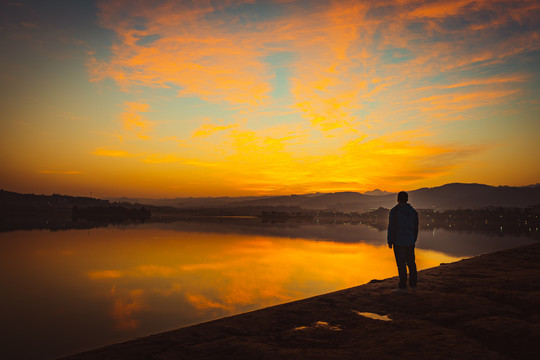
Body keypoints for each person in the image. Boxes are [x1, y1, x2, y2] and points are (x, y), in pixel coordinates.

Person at [387, 191, 418, 292]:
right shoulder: (413, 212)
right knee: (411, 263)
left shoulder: (395, 211)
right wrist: (414, 239)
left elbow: (392, 227)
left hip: (398, 241)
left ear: (398, 199)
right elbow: (415, 228)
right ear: (407, 199)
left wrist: (390, 240)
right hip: (410, 241)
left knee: (401, 264)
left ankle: (403, 287)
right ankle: (413, 286)